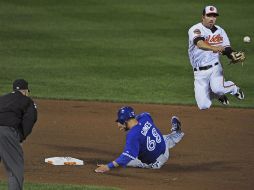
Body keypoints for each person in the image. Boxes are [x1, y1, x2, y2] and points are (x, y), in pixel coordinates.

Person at [188, 5, 245, 110]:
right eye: (209, 15)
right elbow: (200, 43)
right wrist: (213, 48)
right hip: (199, 73)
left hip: (215, 68)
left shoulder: (220, 31)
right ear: (203, 17)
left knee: (218, 88)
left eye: (214, 16)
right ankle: (217, 95)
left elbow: (227, 49)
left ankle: (233, 88)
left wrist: (233, 55)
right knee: (203, 106)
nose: (212, 18)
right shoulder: (195, 29)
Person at [95, 106, 184, 173]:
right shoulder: (145, 118)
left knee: (126, 161)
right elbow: (146, 114)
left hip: (156, 162)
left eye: (120, 122)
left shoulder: (132, 135)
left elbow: (126, 157)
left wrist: (108, 166)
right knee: (159, 138)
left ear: (125, 121)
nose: (118, 125)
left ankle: (152, 163)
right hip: (163, 146)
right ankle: (176, 134)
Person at [0, 79, 37, 190]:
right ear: (25, 91)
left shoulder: (2, 98)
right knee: (14, 169)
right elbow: (30, 119)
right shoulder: (27, 101)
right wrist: (20, 136)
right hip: (6, 133)